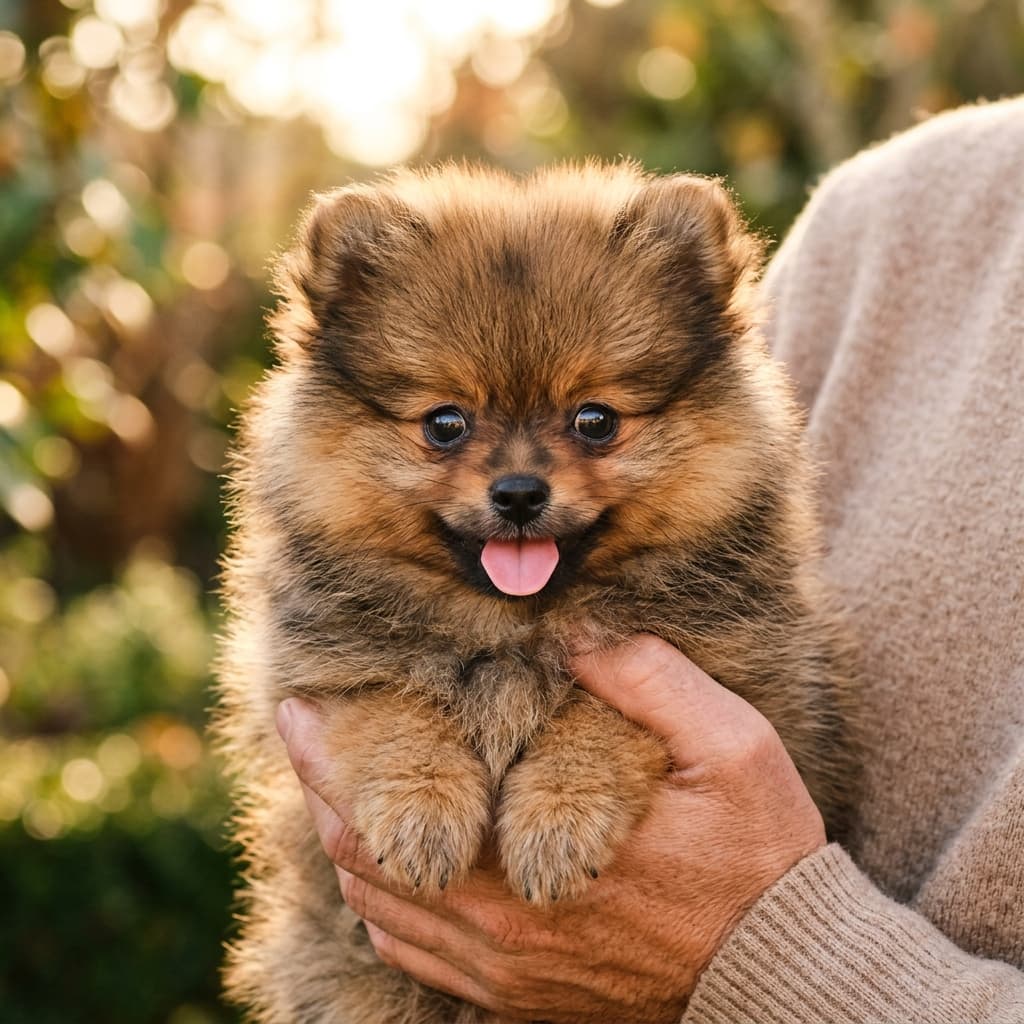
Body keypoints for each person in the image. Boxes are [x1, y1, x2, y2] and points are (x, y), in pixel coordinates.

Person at [275, 97, 1024, 1023]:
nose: (518, 480)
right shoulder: (892, 212)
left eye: (595, 422)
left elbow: (757, 723)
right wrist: (401, 749)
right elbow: (325, 704)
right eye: (444, 425)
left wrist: (606, 758)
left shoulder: (727, 595)